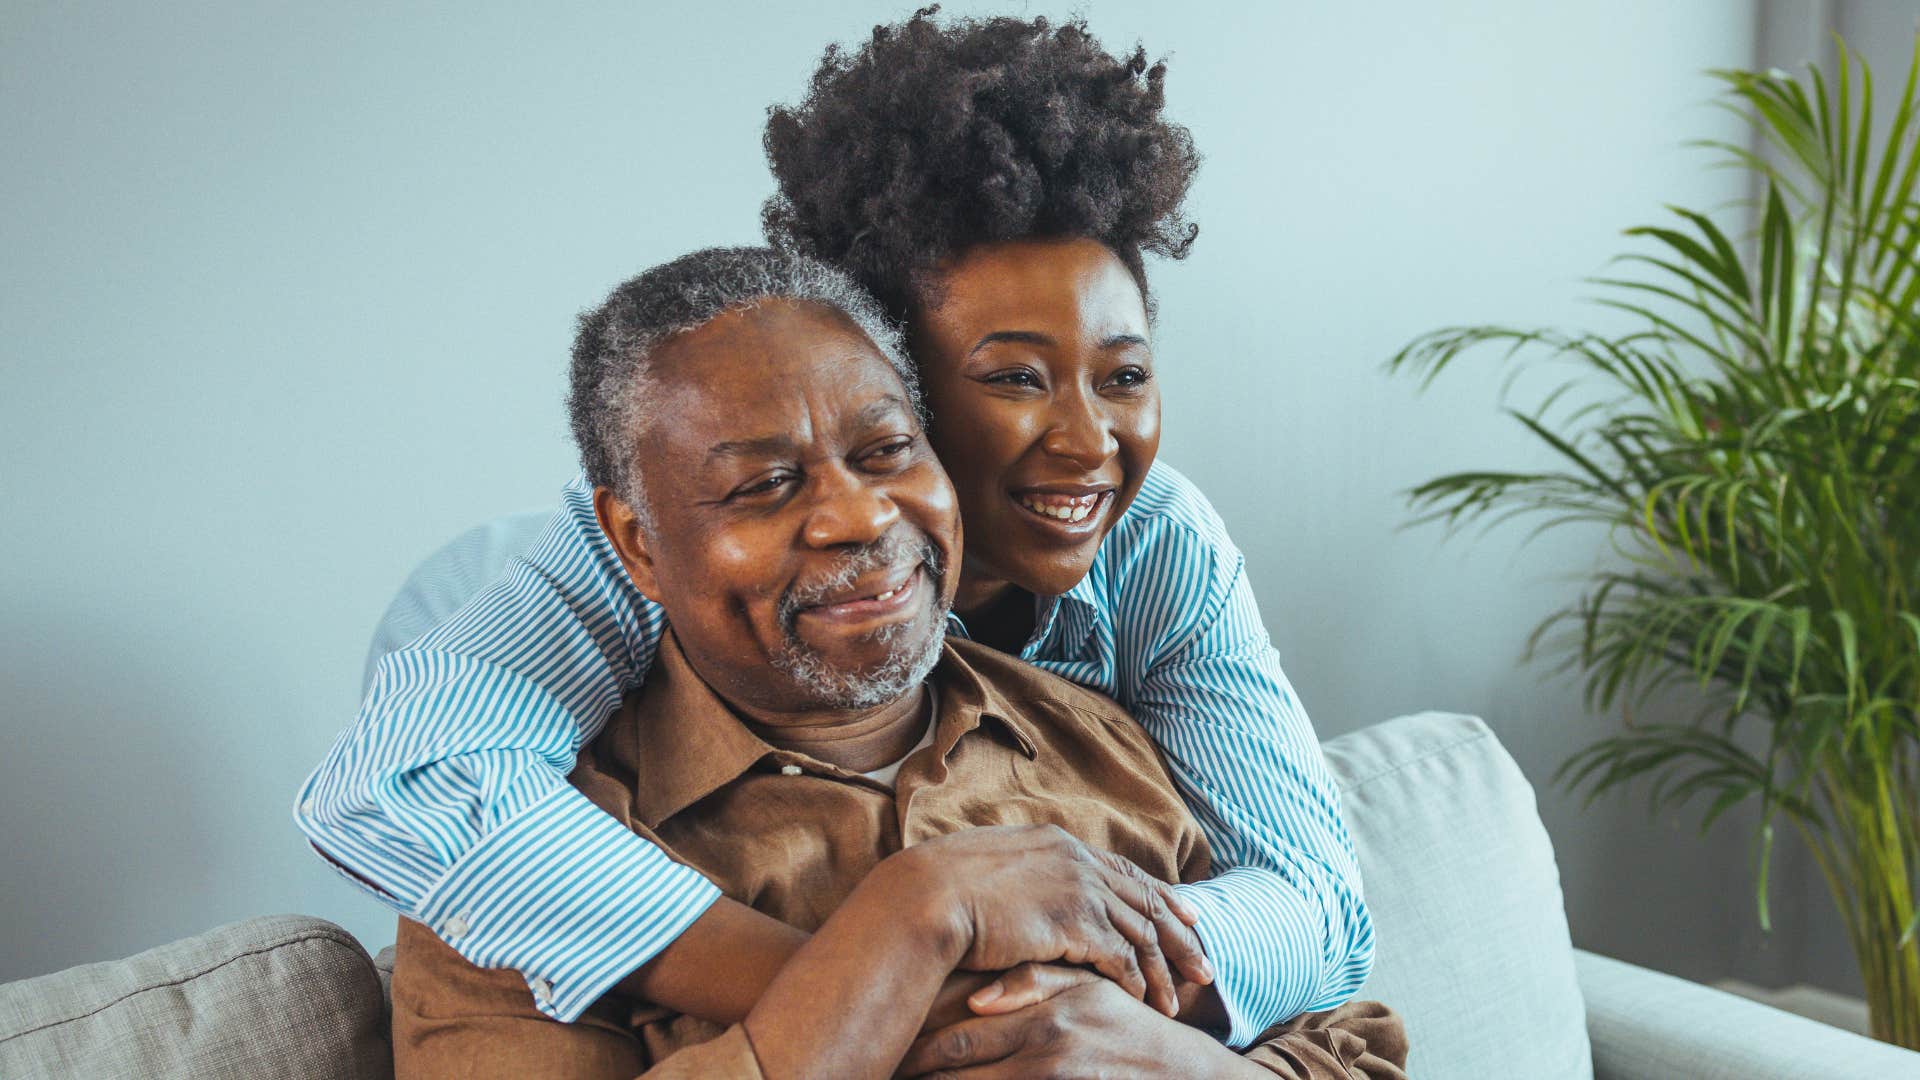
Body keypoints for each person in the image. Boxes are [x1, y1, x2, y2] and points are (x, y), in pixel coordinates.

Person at [298, 9, 1372, 1048]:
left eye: (1125, 375)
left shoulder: (1158, 539)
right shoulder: (633, 552)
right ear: (879, 370)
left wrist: (1093, 1012)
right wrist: (880, 982)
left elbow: (1321, 906)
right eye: (1013, 378)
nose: (1090, 442)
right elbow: (402, 779)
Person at [390, 244, 1408, 1079]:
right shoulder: (511, 875)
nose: (856, 516)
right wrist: (911, 923)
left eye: (884, 453)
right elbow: (402, 773)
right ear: (639, 544)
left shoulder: (1103, 732)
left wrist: (1161, 1055)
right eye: (764, 485)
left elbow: (1335, 989)